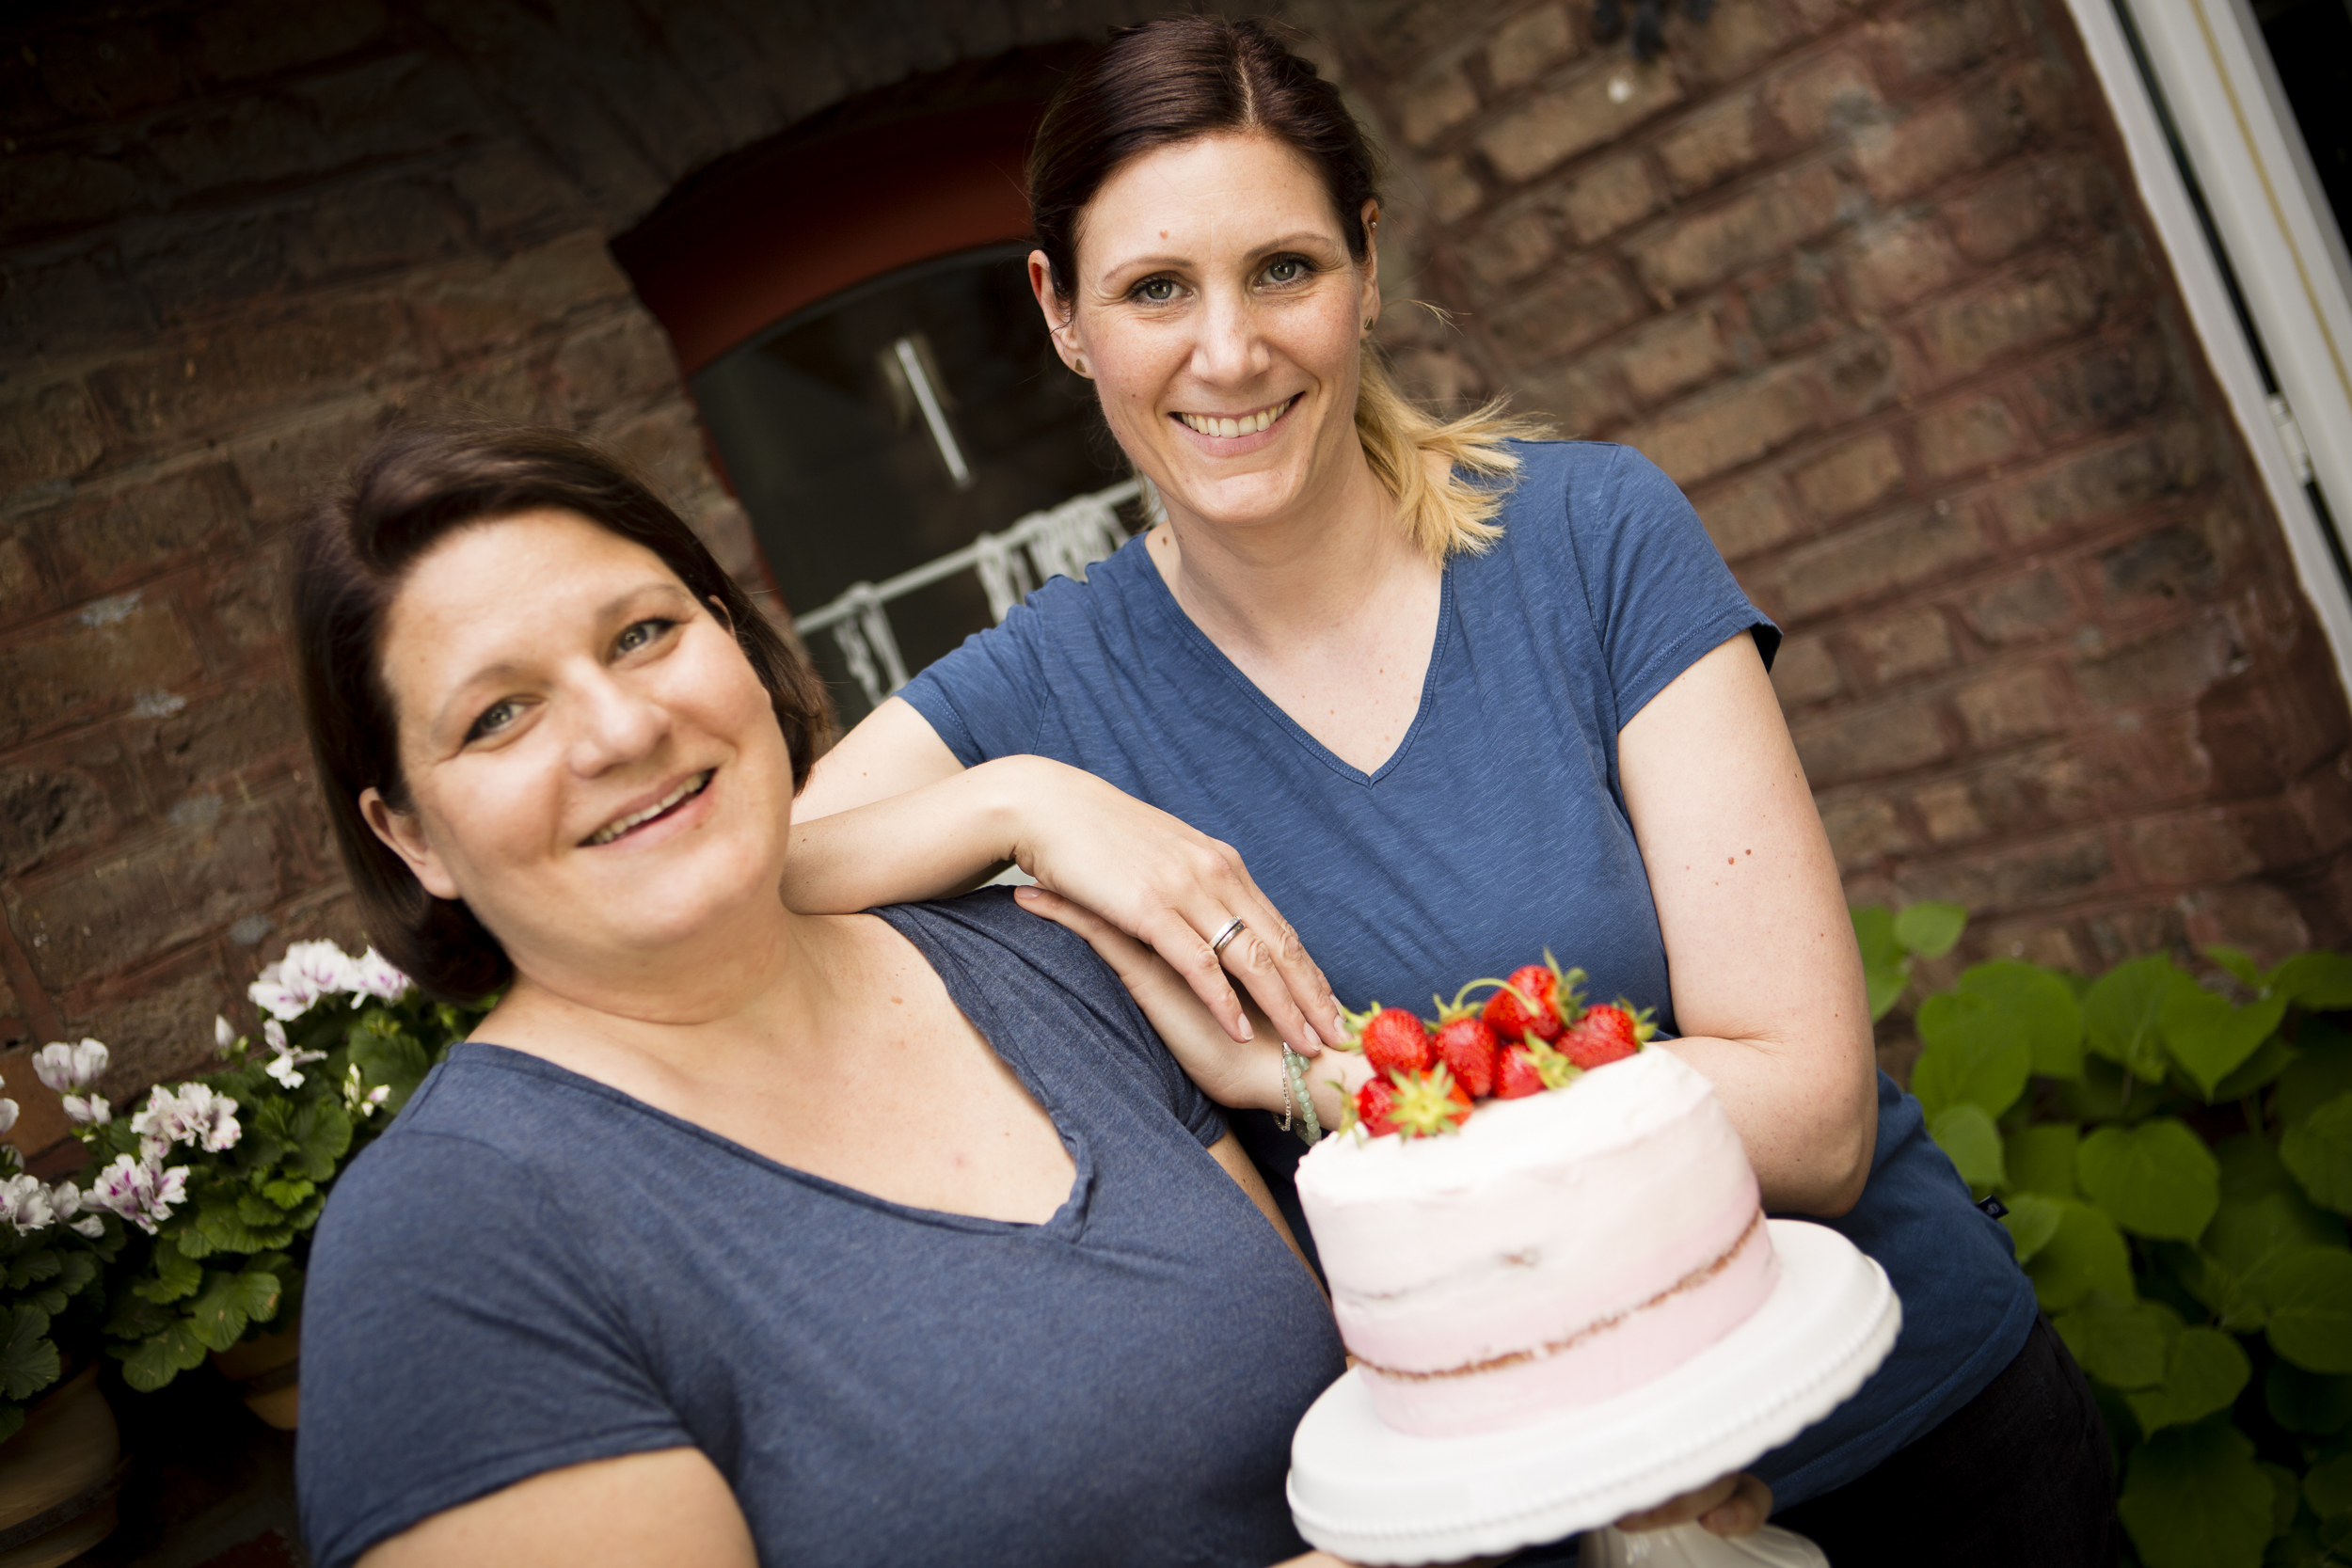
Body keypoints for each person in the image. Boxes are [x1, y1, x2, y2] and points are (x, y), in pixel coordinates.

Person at [784, 16, 2117, 1566]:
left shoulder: (1590, 539)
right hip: (1539, 1524)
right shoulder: (1047, 690)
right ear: (1062, 315)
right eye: (1155, 288)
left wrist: (1324, 1088)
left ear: (1363, 261)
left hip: (1914, 1441)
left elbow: (1809, 1117)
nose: (1228, 349)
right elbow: (736, 875)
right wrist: (1021, 804)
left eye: (1282, 268)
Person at [286, 421, 1377, 1568]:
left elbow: (1355, 1444)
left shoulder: (1043, 962)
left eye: (644, 633)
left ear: (735, 638)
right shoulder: (453, 1238)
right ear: (411, 836)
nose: (622, 728)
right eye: (497, 715)